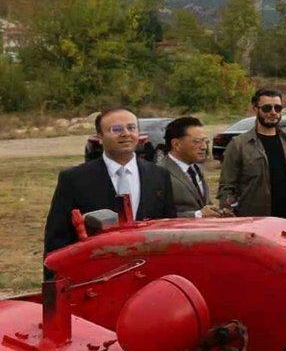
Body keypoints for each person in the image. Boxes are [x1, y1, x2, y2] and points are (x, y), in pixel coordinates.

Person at [43, 108, 177, 273]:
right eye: (117, 129)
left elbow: (169, 230)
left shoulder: (159, 176)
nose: (126, 134)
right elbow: (56, 239)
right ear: (99, 137)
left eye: (131, 128)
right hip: (95, 276)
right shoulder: (74, 179)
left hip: (148, 273)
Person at [217, 88, 286, 218]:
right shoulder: (238, 145)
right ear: (255, 109)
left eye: (278, 108)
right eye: (267, 108)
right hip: (256, 222)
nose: (273, 113)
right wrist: (229, 213)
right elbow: (227, 186)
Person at [160, 116, 223, 218]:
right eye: (197, 142)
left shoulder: (195, 169)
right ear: (176, 144)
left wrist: (217, 212)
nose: (204, 147)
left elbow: (204, 205)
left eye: (205, 141)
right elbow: (157, 216)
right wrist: (198, 215)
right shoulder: (159, 174)